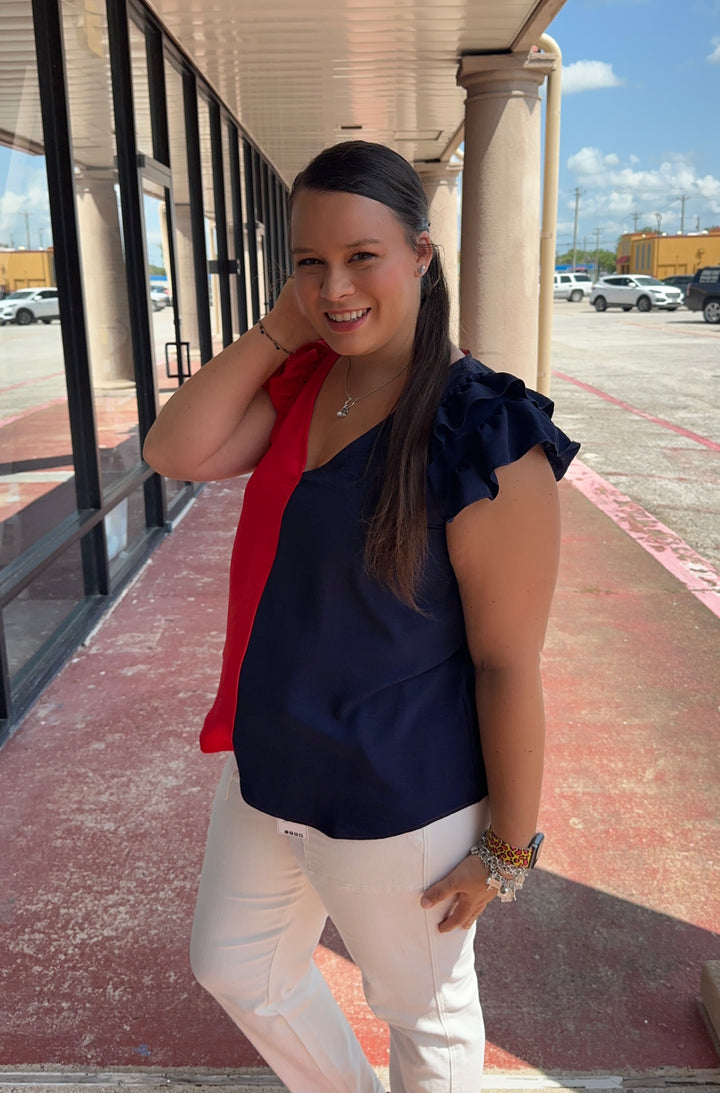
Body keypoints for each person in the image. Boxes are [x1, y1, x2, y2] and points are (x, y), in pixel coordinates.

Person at [143, 140, 579, 1093]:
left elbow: (508, 662)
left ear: (422, 255)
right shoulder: (307, 382)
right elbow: (174, 449)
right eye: (310, 261)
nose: (334, 285)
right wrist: (278, 329)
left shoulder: (484, 429)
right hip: (275, 765)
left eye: (361, 256)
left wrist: (508, 847)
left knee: (426, 1014)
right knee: (236, 963)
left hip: (397, 795)